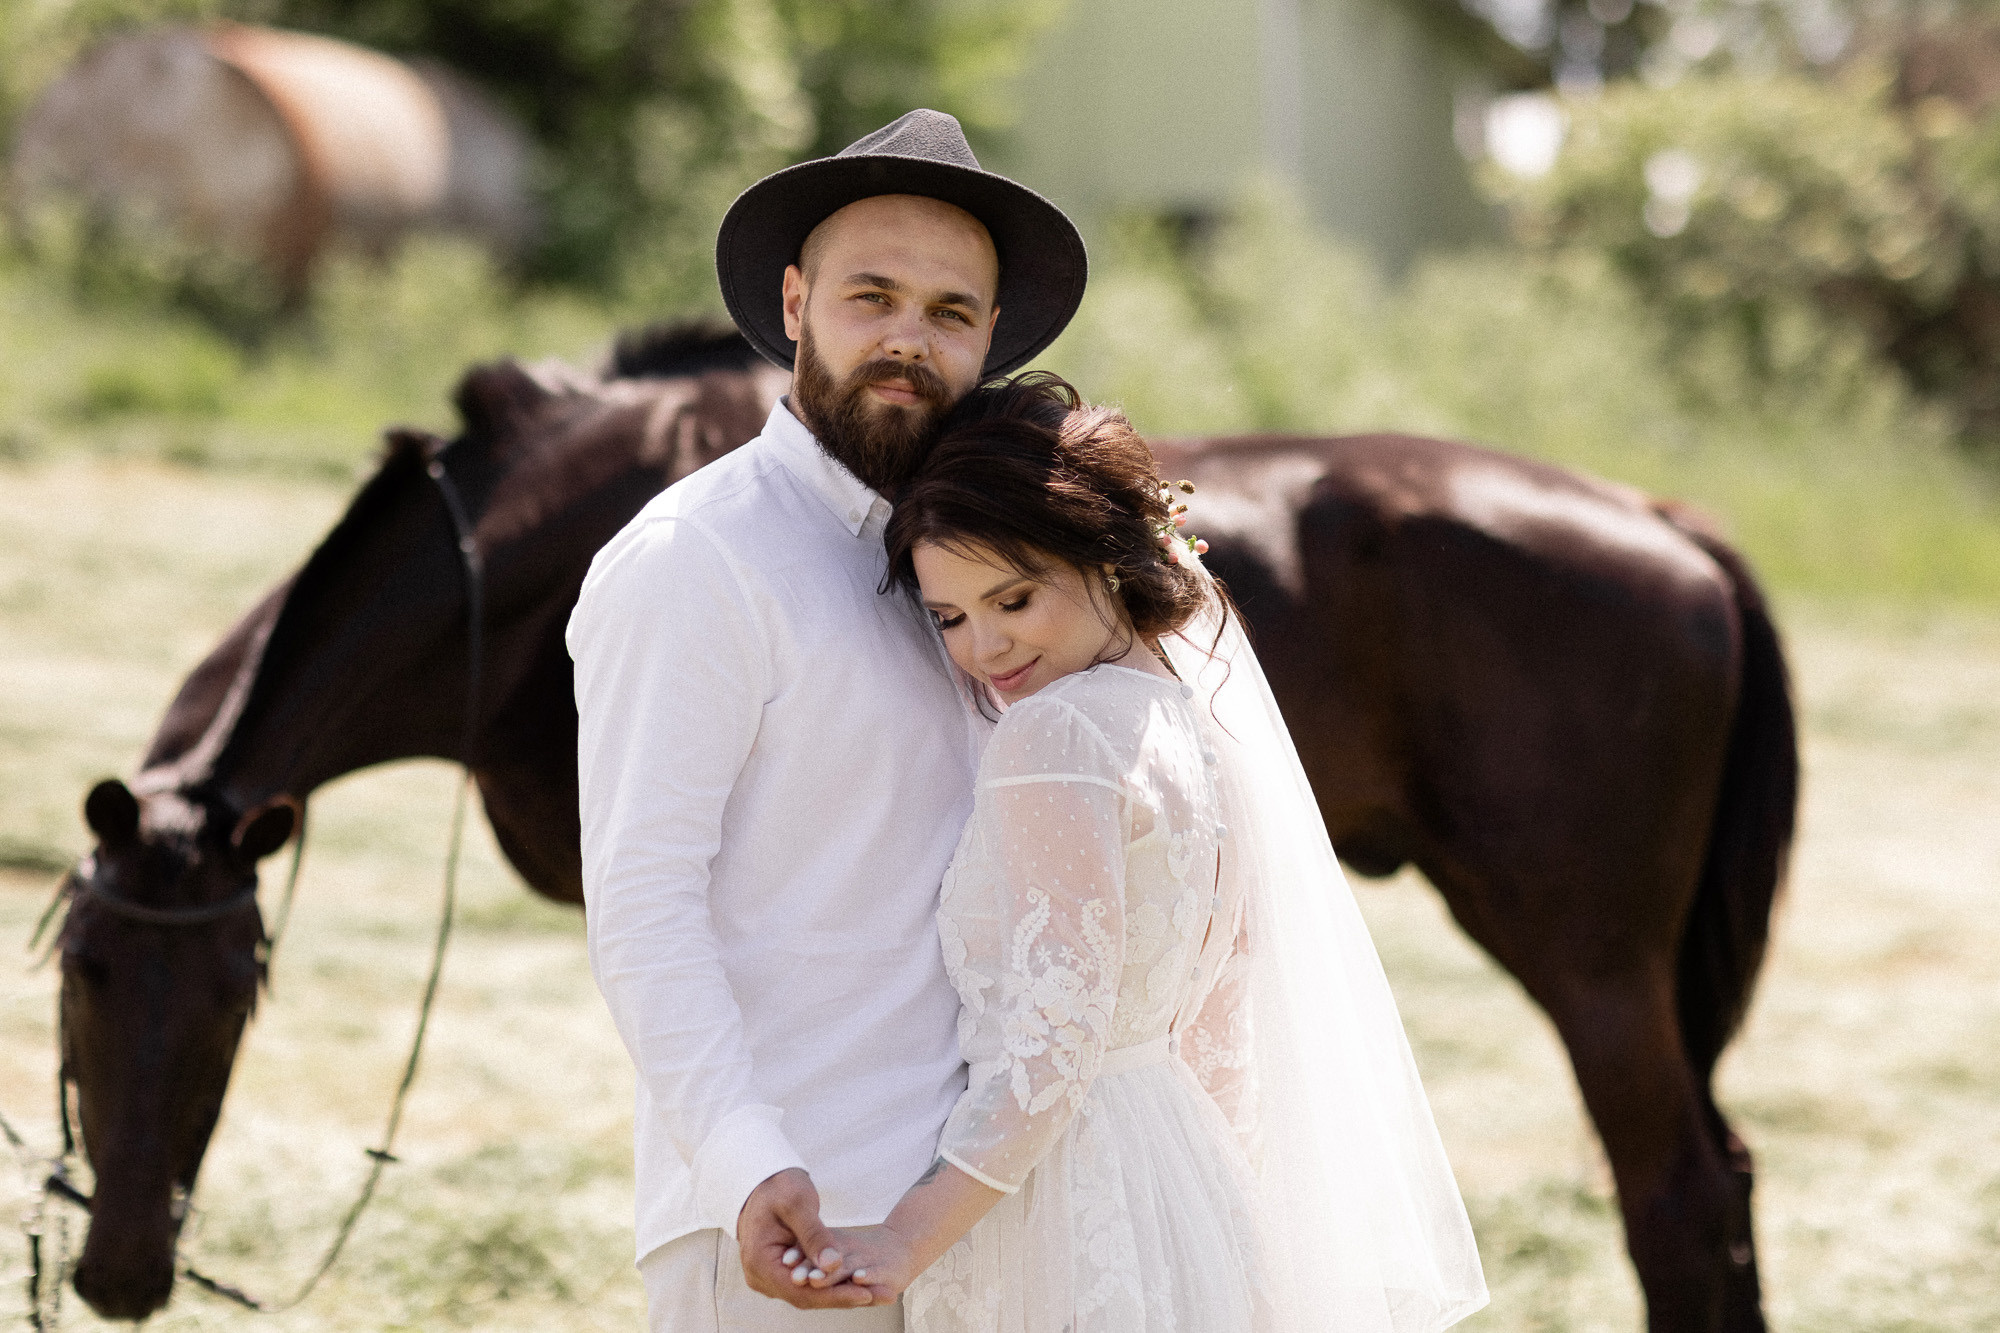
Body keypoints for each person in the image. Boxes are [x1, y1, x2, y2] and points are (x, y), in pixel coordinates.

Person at [796, 374, 1490, 1331]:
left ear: (1102, 555)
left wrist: (904, 1238)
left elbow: (1051, 1052)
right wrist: (1225, 1206)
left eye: (1014, 597)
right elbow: (1222, 1004)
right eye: (949, 616)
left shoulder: (1057, 738)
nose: (984, 647)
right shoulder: (1190, 725)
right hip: (1181, 1168)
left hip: (1066, 1200)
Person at [565, 109, 1085, 1332]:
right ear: (795, 304)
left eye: (950, 313)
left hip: (998, 1218)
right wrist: (746, 1157)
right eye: (872, 297)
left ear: (990, 337)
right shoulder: (699, 560)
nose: (908, 339)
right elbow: (641, 897)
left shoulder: (997, 565)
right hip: (795, 1224)